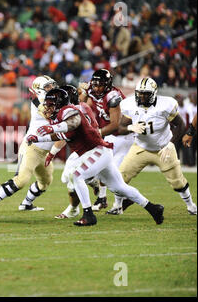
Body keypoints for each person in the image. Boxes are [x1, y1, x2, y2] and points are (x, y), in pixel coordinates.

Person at [27, 88, 164, 226]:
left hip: (97, 150)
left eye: (51, 104)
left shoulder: (68, 110)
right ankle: (153, 208)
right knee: (119, 188)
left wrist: (53, 128)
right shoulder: (59, 117)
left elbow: (73, 122)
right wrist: (38, 138)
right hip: (97, 152)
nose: (47, 108)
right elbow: (62, 135)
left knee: (76, 176)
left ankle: (88, 215)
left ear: (59, 103)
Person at [109, 77, 196, 215]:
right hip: (140, 147)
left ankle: (191, 206)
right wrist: (131, 127)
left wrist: (170, 144)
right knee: (120, 177)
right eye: (140, 93)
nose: (142, 97)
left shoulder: (165, 105)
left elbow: (180, 125)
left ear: (154, 93)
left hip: (163, 148)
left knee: (177, 181)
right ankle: (117, 206)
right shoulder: (130, 104)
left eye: (146, 94)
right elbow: (120, 128)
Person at [0, 75, 57, 214]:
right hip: (32, 148)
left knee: (45, 181)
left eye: (52, 85)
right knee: (21, 180)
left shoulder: (55, 99)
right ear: (39, 89)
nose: (52, 88)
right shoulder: (40, 99)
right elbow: (48, 114)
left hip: (46, 151)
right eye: (48, 86)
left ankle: (26, 204)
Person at [46, 85, 100, 219]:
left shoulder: (72, 112)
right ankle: (91, 181)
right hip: (84, 149)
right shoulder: (80, 107)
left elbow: (65, 134)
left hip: (91, 148)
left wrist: (52, 153)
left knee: (71, 178)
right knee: (66, 178)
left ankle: (74, 209)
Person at [81, 69, 131, 212]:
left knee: (112, 173)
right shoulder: (93, 90)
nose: (96, 88)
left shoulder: (113, 96)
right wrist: (84, 92)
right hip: (110, 135)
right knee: (103, 168)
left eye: (100, 85)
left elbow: (116, 124)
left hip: (124, 136)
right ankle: (104, 199)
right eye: (95, 85)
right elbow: (81, 107)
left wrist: (98, 133)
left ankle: (121, 202)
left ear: (108, 84)